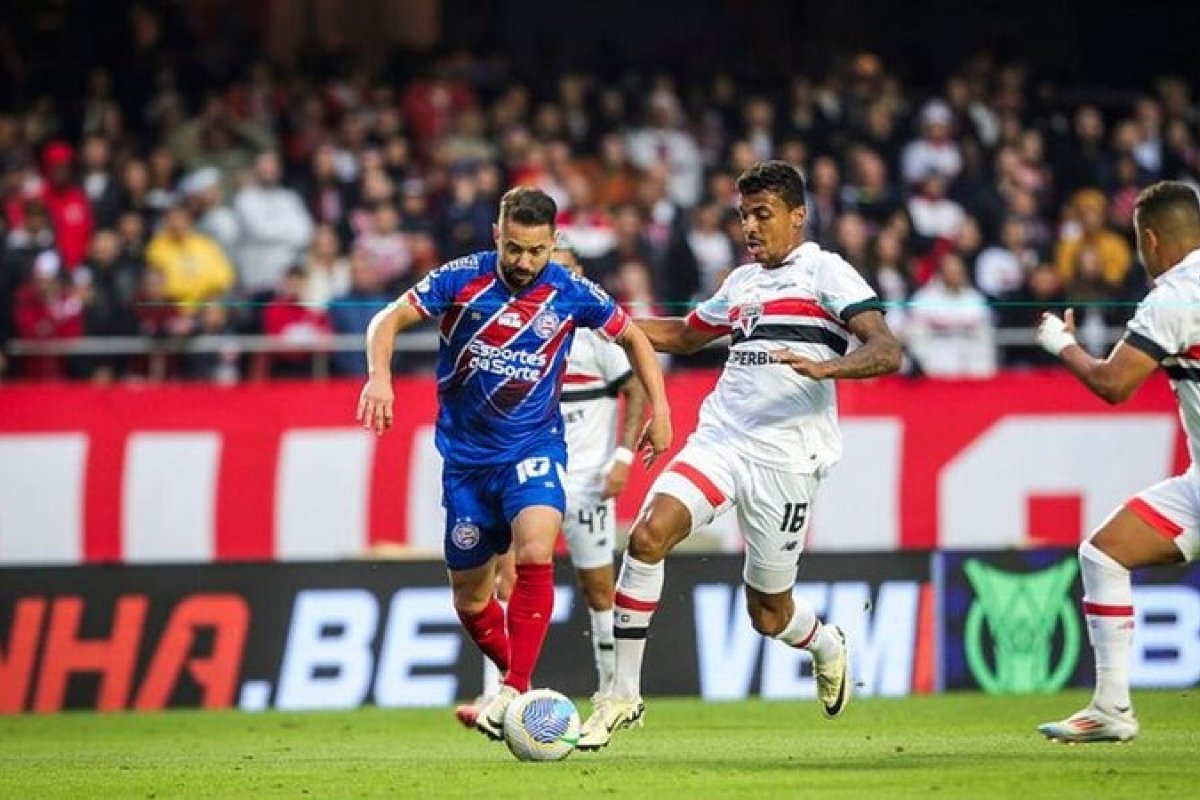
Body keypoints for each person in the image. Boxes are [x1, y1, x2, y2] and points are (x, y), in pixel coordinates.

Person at [578, 160, 903, 750]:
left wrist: (827, 366)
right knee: (648, 536)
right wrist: (602, 318)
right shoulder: (741, 283)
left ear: (797, 216)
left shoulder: (825, 272)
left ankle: (825, 642)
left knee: (769, 615)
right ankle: (622, 695)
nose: (751, 228)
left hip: (787, 460)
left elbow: (886, 350)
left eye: (763, 215)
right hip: (721, 439)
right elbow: (683, 335)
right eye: (744, 216)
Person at [357, 186, 672, 741]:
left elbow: (637, 341)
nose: (524, 263)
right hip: (466, 464)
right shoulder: (461, 278)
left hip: (533, 449)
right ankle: (514, 683)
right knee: (472, 599)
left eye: (536, 251)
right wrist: (380, 377)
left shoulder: (572, 291)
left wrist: (662, 410)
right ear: (498, 236)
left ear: (553, 243)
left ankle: (514, 688)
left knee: (533, 551)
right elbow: (386, 321)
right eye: (515, 249)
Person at [453, 239, 649, 728]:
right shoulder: (515, 332)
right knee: (506, 575)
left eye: (559, 266)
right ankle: (498, 693)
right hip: (530, 470)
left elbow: (638, 387)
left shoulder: (594, 338)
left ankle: (615, 695)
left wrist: (623, 457)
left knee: (598, 588)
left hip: (587, 481)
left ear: (576, 274)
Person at [1036, 181, 1200, 744]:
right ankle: (1112, 707)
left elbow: (1114, 383)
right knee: (1104, 554)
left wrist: (1061, 344)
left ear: (1151, 240)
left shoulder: (1174, 296)